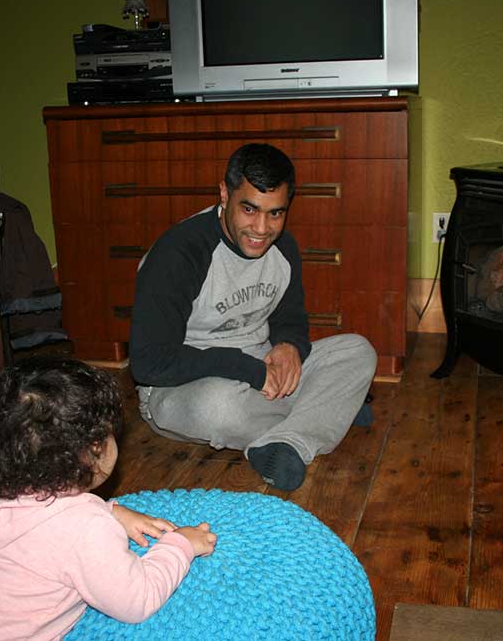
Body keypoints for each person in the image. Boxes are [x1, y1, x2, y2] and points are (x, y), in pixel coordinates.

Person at [0, 357, 217, 641]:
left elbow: (38, 529)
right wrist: (179, 545)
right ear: (95, 449)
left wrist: (113, 511)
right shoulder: (83, 531)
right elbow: (136, 601)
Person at [129, 143, 377, 492]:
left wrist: (290, 345)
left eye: (276, 213)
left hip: (260, 370)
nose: (262, 228)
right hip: (185, 384)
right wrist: (248, 369)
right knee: (219, 407)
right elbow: (149, 363)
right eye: (249, 209)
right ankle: (328, 415)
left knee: (357, 351)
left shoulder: (283, 248)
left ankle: (294, 436)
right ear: (224, 193)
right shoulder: (179, 253)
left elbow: (290, 318)